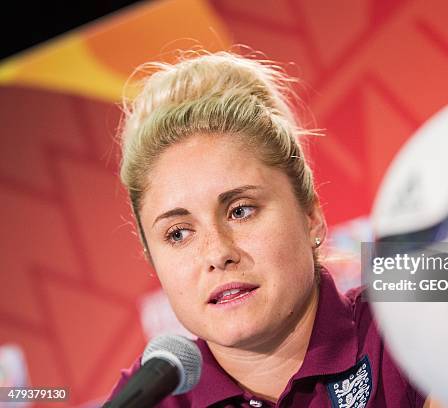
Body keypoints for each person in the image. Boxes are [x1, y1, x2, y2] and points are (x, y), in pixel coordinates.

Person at [105, 50, 427, 407]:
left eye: (240, 211)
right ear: (153, 260)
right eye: (178, 233)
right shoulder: (152, 398)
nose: (217, 253)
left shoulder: (406, 315)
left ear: (310, 216)